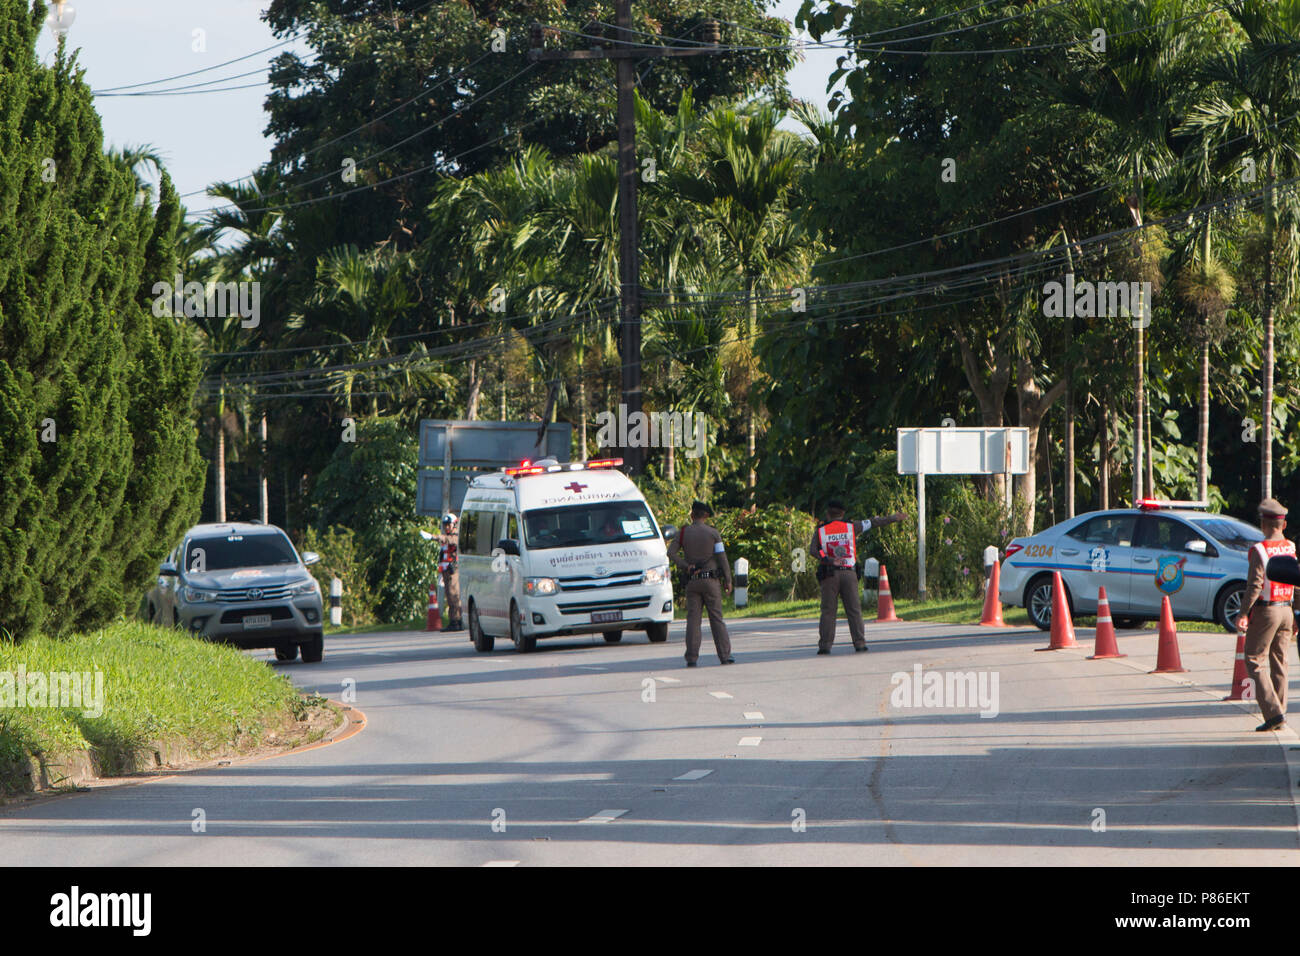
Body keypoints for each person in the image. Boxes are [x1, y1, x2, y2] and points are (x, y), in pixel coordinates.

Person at [812, 500, 906, 654]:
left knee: (828, 611)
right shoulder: (852, 526)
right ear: (843, 514)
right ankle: (860, 643)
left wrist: (828, 558)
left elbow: (814, 551)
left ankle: (825, 646)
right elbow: (874, 522)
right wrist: (894, 517)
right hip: (849, 573)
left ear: (828, 514)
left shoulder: (821, 530)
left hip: (829, 574)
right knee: (854, 610)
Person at [1240, 498, 1295, 731]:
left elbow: (1254, 585)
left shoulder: (1260, 550)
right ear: (1283, 525)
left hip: (1267, 611)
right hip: (1288, 609)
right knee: (1280, 661)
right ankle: (1280, 712)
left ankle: (1273, 713)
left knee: (1254, 659)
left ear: (1263, 524)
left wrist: (1243, 613)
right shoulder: (1291, 547)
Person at [667, 501, 734, 667]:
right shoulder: (713, 533)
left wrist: (685, 566)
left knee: (693, 621)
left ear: (692, 515)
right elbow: (722, 558)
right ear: (706, 516)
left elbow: (671, 553)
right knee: (716, 618)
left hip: (693, 582)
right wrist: (728, 579)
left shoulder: (683, 533)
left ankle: (691, 658)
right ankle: (724, 656)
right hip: (711, 581)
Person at [438, 512, 463, 632]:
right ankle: (453, 621)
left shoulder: (456, 536)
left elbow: (452, 541)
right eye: (445, 525)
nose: (446, 527)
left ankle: (458, 621)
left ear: (454, 525)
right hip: (446, 570)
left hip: (453, 570)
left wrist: (434, 536)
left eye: (449, 525)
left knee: (454, 595)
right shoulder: (446, 538)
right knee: (449, 595)